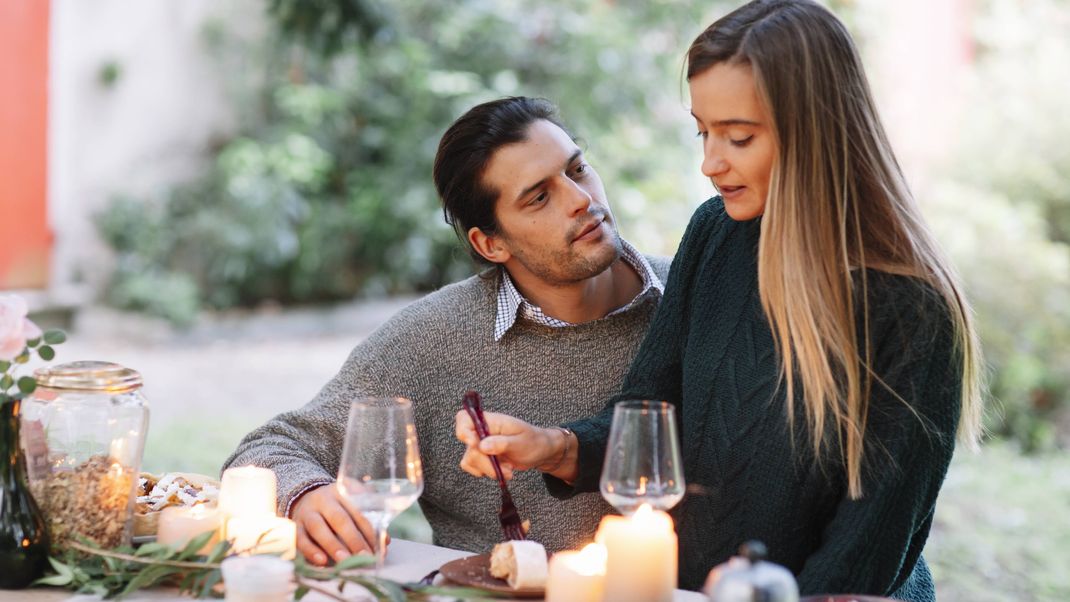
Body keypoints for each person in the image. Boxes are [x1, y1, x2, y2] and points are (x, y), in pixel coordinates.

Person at [454, 2, 984, 600]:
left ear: (818, 130)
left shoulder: (912, 307)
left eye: (738, 137)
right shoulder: (717, 233)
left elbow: (862, 558)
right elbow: (650, 420)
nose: (710, 162)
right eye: (702, 131)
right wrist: (556, 447)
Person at [223, 96, 671, 566]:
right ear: (490, 243)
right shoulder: (429, 340)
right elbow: (267, 450)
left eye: (577, 170)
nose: (582, 200)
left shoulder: (695, 293)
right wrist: (307, 496)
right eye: (539, 197)